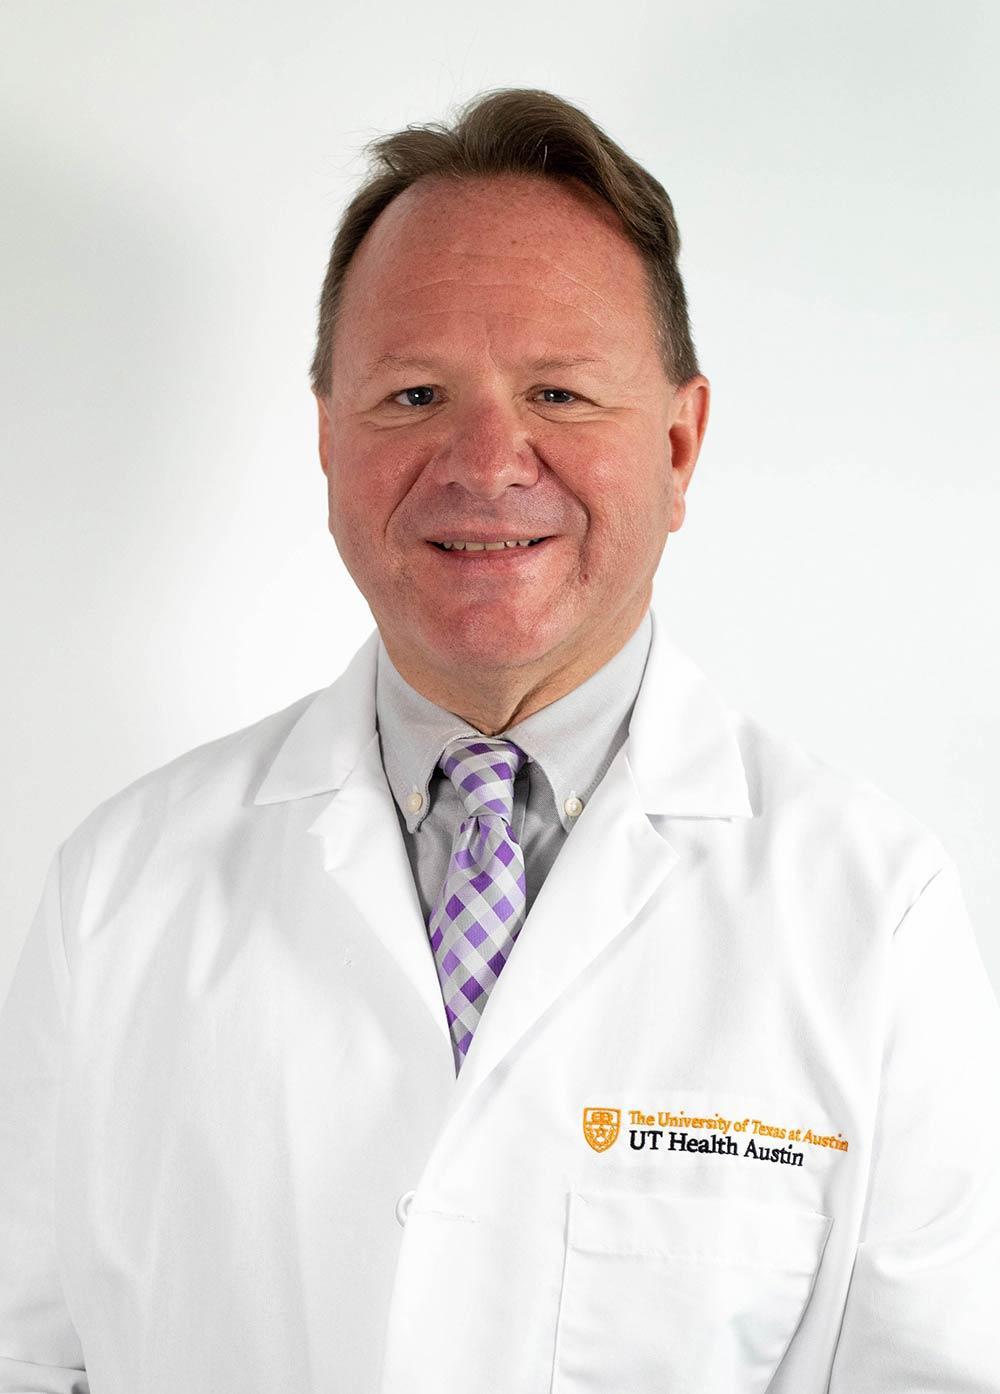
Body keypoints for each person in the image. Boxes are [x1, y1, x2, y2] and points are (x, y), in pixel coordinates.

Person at [1, 86, 997, 1394]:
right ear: (327, 440)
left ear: (680, 442)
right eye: (413, 393)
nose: (485, 460)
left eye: (560, 392)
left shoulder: (874, 914)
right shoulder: (117, 888)